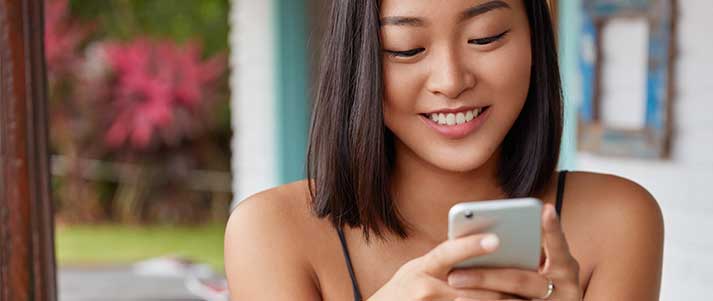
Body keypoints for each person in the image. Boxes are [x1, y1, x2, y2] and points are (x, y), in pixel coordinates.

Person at [224, 0, 664, 300]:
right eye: (406, 49)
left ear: (535, 38)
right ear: (359, 60)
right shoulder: (272, 234)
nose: (451, 81)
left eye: (487, 37)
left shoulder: (618, 221)